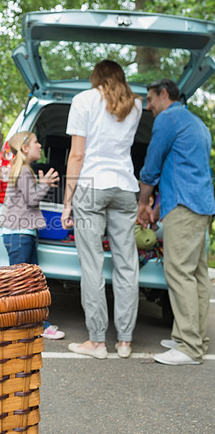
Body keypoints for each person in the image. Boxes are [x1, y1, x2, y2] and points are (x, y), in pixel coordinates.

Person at [61, 60, 142, 359]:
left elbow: (77, 154)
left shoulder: (83, 100)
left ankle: (96, 342)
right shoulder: (136, 106)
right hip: (124, 187)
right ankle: (125, 341)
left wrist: (68, 201)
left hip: (92, 187)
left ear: (96, 77)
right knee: (126, 264)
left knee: (92, 264)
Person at [137, 79, 215, 366]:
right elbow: (180, 168)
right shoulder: (196, 124)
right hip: (201, 204)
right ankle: (194, 338)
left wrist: (142, 203)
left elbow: (153, 164)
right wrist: (158, 206)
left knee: (179, 272)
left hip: (183, 206)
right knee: (195, 274)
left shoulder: (168, 118)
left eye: (149, 99)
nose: (148, 106)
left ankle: (188, 347)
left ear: (164, 94)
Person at [0, 131, 65, 340]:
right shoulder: (25, 172)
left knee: (31, 282)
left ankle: (37, 324)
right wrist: (44, 184)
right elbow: (31, 200)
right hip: (19, 234)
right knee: (23, 284)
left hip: (20, 233)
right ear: (25, 148)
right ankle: (18, 326)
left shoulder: (23, 171)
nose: (40, 146)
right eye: (36, 142)